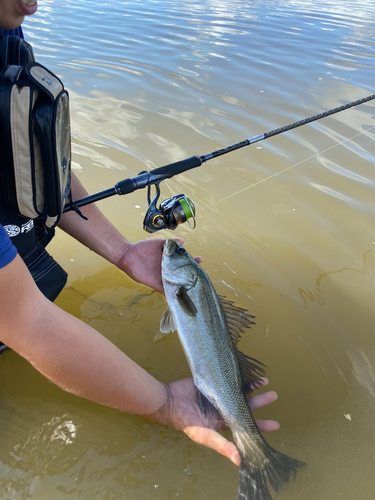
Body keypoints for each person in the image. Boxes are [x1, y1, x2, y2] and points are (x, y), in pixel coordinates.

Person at [0, 0, 279, 469]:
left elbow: (44, 170)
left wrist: (125, 252)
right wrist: (165, 404)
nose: (34, 3)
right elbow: (26, 319)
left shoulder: (8, 36)